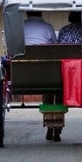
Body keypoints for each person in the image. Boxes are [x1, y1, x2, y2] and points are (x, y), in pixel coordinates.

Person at [23, 11, 60, 141]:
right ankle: (57, 128)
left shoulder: (21, 27)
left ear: (27, 14)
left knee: (47, 93)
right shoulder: (48, 27)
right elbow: (56, 46)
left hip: (25, 71)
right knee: (55, 88)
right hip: (47, 70)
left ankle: (50, 125)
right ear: (41, 14)